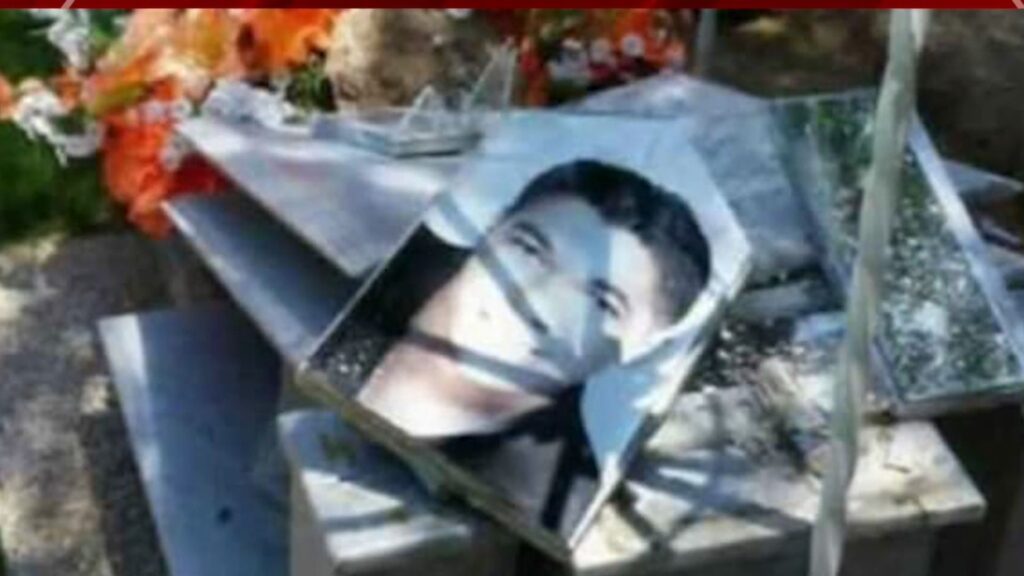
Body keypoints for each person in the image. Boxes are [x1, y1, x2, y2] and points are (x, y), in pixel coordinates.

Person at [350, 159, 711, 533]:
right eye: (529, 249)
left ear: (640, 348)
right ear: (491, 230)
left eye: (601, 302)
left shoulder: (546, 504)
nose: (533, 300)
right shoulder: (370, 269)